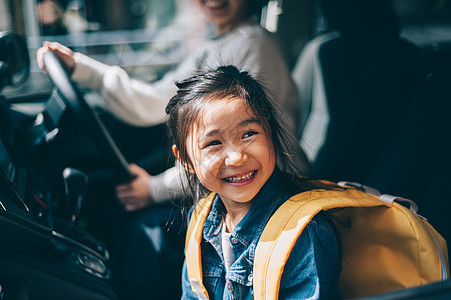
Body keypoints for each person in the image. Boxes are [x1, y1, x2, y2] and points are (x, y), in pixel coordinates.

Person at [36, 0, 305, 212]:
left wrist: (153, 189)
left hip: (266, 193)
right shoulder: (216, 45)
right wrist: (81, 68)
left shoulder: (255, 46)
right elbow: (157, 101)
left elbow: (244, 151)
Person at [166, 65, 341, 299]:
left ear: (271, 132)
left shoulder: (302, 232)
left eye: (248, 134)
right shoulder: (200, 218)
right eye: (213, 143)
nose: (237, 157)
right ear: (185, 160)